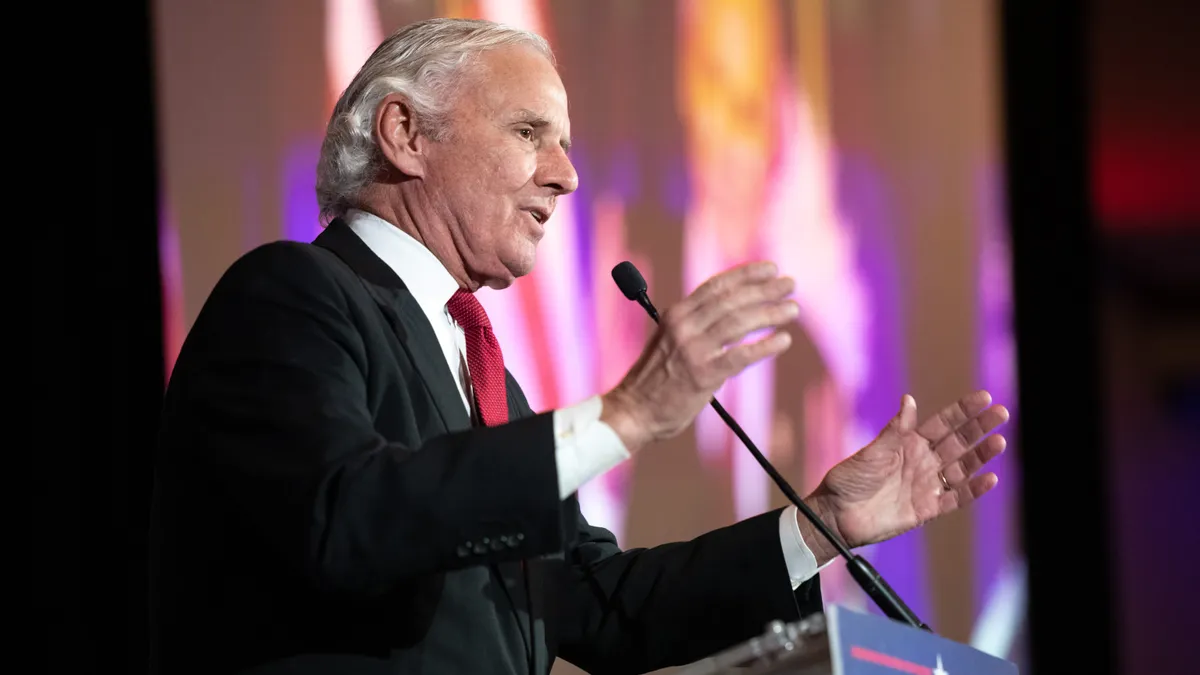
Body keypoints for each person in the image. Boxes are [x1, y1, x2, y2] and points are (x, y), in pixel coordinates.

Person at [149, 17, 1009, 675]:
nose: (565, 173)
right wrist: (627, 414)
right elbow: (348, 518)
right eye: (529, 133)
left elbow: (599, 608)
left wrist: (822, 525)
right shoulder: (290, 296)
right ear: (406, 135)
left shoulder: (476, 364)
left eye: (564, 142)